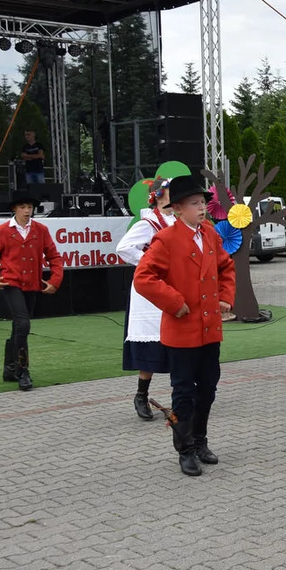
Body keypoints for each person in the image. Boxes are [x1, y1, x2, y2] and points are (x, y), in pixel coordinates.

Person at [133, 174, 236, 476]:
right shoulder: (165, 239)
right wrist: (175, 302)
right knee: (183, 393)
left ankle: (200, 439)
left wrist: (226, 297)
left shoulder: (211, 233)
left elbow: (226, 266)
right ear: (177, 208)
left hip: (210, 328)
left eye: (203, 202)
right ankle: (185, 449)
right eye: (194, 203)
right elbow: (143, 277)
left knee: (208, 389)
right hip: (181, 330)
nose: (202, 208)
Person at [0, 190, 64, 391]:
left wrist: (55, 280)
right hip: (11, 283)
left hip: (32, 284)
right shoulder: (2, 230)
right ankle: (22, 371)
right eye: (23, 207)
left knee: (19, 326)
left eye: (30, 207)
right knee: (23, 325)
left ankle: (9, 368)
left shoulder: (40, 229)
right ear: (14, 209)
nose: (27, 211)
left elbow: (54, 257)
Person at [116, 177, 175, 420]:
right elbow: (124, 248)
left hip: (175, 286)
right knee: (150, 342)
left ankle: (182, 394)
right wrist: (152, 264)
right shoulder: (149, 223)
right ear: (159, 195)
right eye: (172, 191)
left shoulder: (179, 220)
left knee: (178, 341)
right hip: (150, 290)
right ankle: (141, 395)